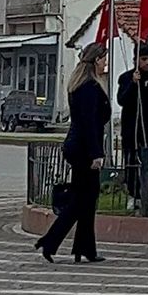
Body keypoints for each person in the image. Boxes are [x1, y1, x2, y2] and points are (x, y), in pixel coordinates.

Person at [36, 43, 110, 263]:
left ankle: (84, 248)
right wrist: (96, 154)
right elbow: (89, 123)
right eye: (104, 59)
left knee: (86, 200)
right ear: (96, 60)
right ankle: (51, 241)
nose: (105, 63)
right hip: (83, 149)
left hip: (79, 146)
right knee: (82, 200)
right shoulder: (89, 87)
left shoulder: (82, 84)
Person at [117, 41, 148, 209]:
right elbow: (122, 100)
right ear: (135, 60)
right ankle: (133, 194)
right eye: (143, 59)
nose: (147, 63)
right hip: (132, 127)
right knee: (131, 161)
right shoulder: (126, 78)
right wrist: (133, 83)